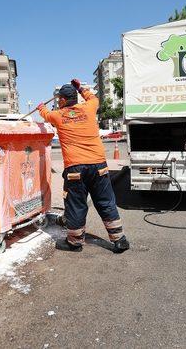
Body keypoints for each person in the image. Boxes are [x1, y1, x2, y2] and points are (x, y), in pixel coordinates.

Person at [37, 79, 130, 253]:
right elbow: (93, 97)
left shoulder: (57, 115)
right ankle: (119, 240)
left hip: (76, 168)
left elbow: (44, 114)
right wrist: (80, 88)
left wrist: (41, 107)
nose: (58, 102)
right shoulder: (89, 108)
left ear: (63, 100)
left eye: (59, 99)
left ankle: (75, 242)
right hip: (99, 166)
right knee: (105, 202)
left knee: (76, 204)